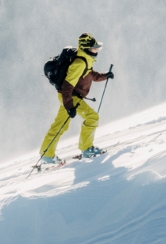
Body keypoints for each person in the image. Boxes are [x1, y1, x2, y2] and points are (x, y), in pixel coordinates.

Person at [40, 32, 113, 165]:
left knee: (60, 125)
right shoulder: (80, 62)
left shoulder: (85, 59)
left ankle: (47, 154)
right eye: (94, 47)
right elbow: (67, 86)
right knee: (92, 117)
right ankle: (87, 148)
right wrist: (69, 106)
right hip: (70, 97)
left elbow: (89, 74)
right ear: (86, 48)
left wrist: (104, 76)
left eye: (97, 47)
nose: (96, 50)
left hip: (68, 97)